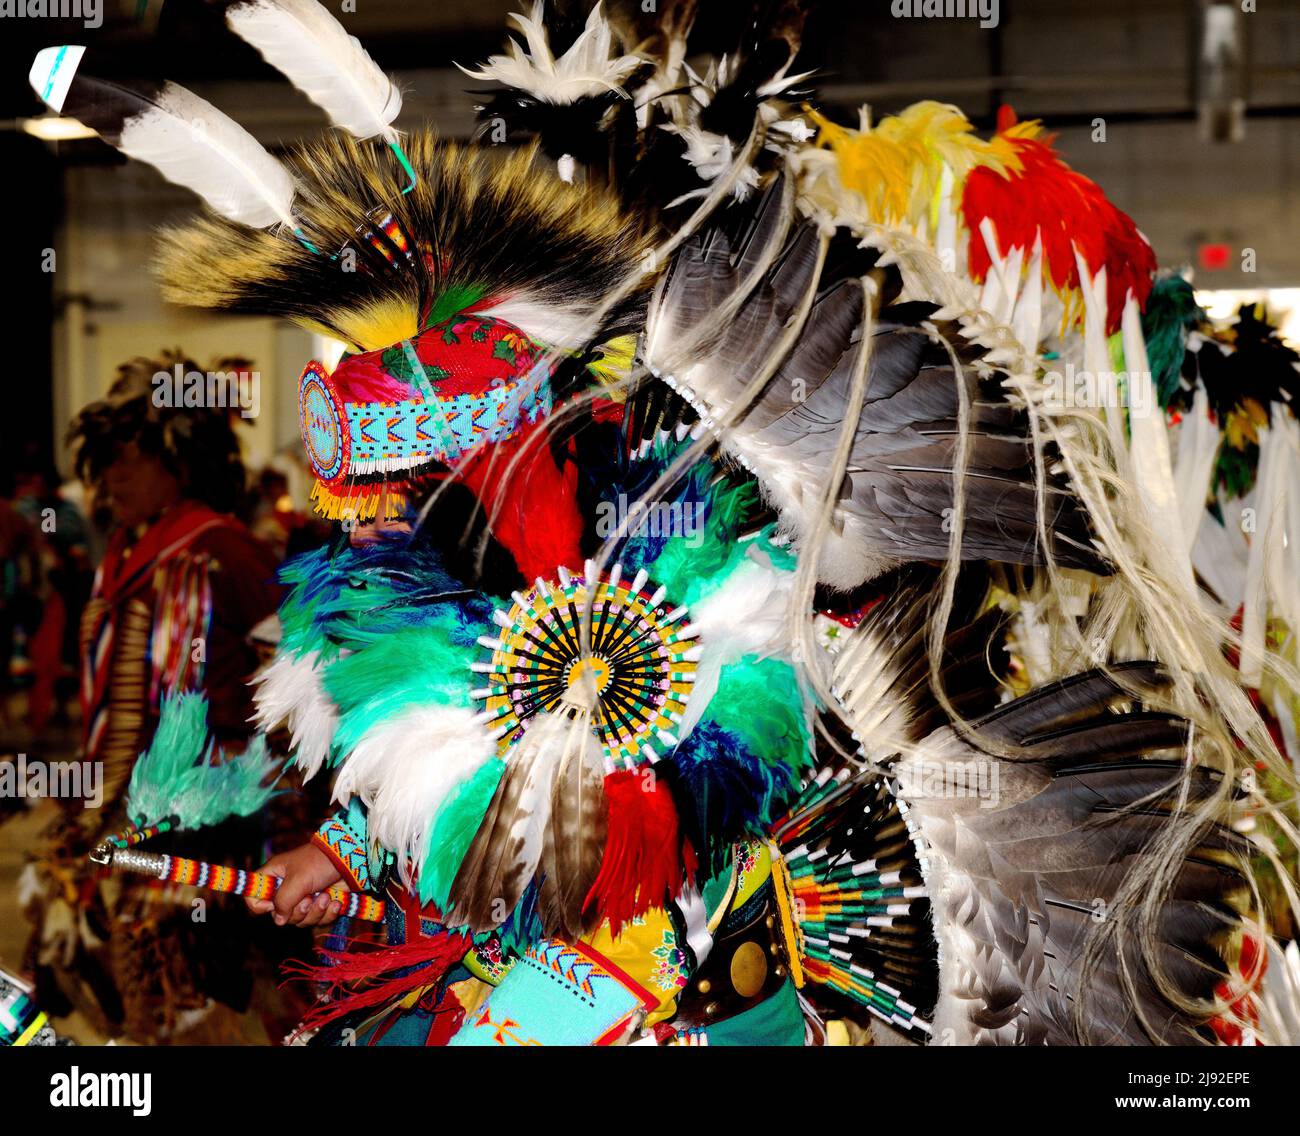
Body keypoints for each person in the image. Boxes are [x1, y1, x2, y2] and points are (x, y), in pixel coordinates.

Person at [42, 0, 1298, 1046]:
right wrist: (357, 847)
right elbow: (445, 721)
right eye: (376, 498)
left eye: (399, 481)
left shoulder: (686, 463)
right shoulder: (436, 542)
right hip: (563, 939)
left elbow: (772, 716)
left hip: (776, 919)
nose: (379, 514)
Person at [21, 350, 294, 1043]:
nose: (115, 473)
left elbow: (293, 686)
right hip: (126, 816)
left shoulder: (225, 551)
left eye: (134, 456)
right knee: (117, 987)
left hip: (207, 827)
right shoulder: (124, 555)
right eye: (108, 456)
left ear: (182, 461)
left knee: (197, 1003)